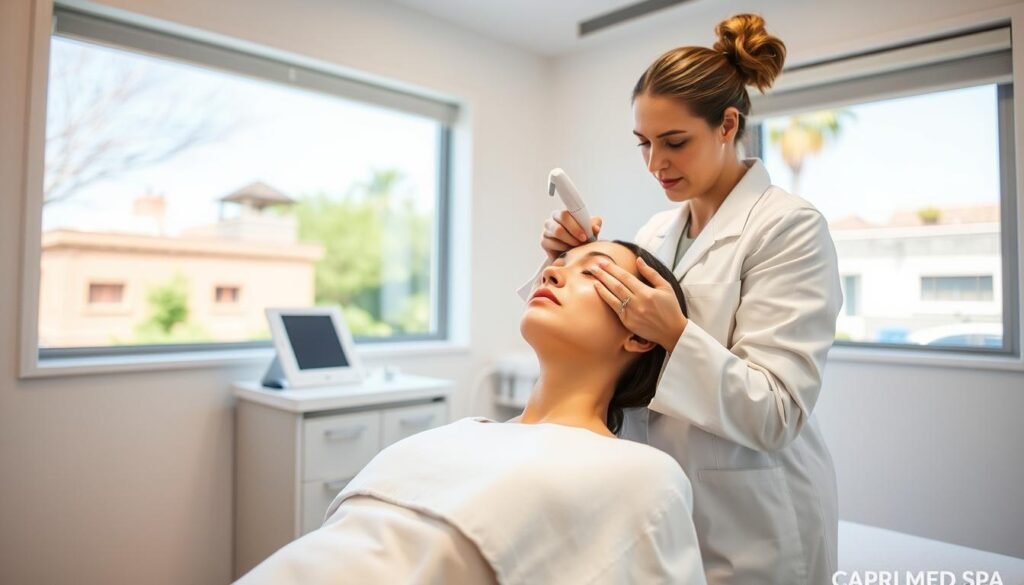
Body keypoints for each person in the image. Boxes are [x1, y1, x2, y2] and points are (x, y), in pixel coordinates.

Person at [519, 13, 843, 584]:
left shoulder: (788, 227)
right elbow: (612, 352)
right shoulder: (654, 234)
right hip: (667, 498)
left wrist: (674, 333)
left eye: (674, 142)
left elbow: (778, 412)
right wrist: (565, 261)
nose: (655, 164)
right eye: (644, 144)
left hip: (757, 517)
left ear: (727, 125)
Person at [235, 240, 708, 585]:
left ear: (640, 334)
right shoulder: (460, 433)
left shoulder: (643, 475)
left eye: (593, 272)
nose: (550, 274)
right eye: (558, 264)